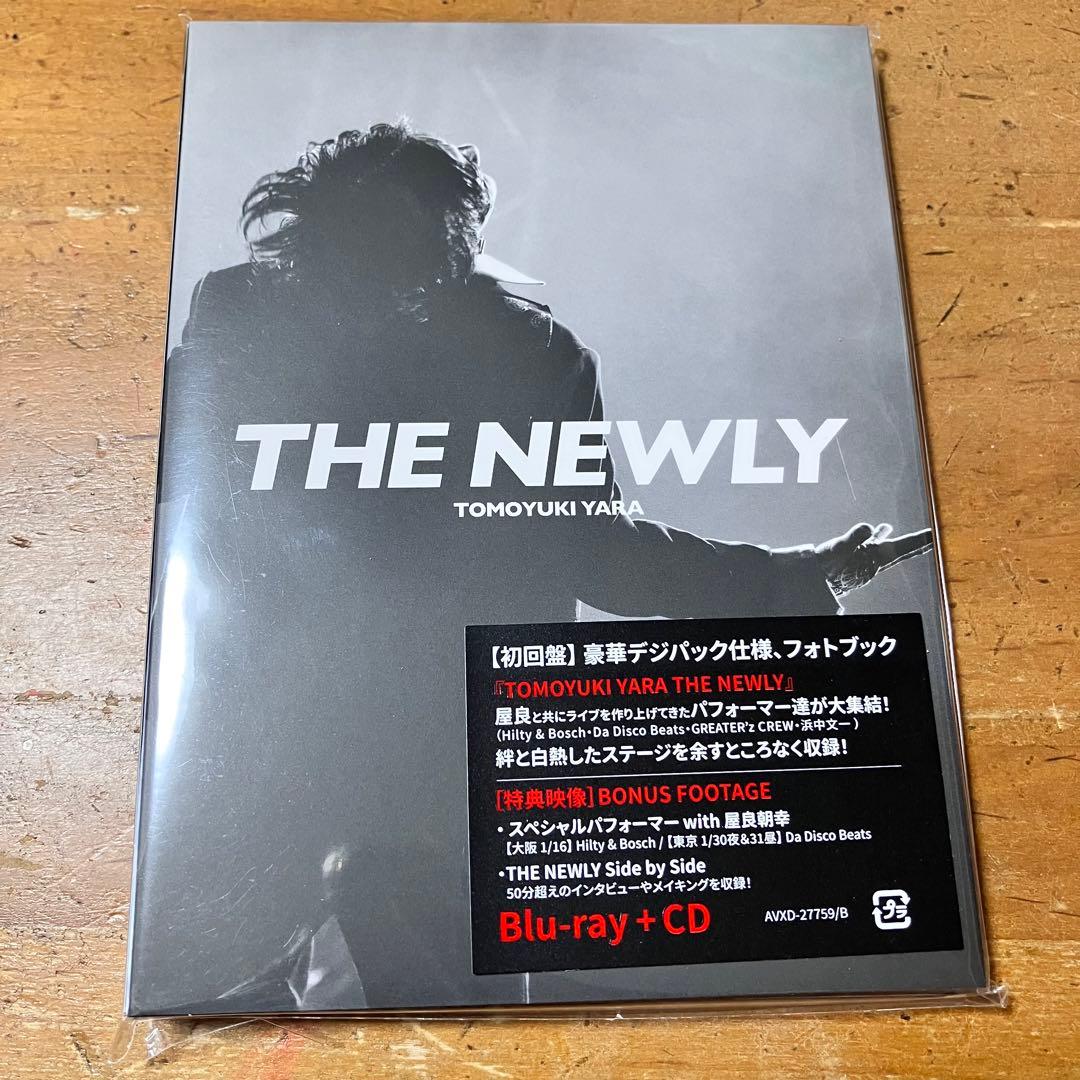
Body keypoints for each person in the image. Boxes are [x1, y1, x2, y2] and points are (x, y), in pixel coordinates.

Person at [157, 121, 933, 1011]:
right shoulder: (497, 348)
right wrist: (793, 577)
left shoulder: (480, 345)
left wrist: (791, 578)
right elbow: (590, 549)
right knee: (330, 1011)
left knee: (386, 1011)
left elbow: (585, 546)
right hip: (334, 752)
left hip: (347, 753)